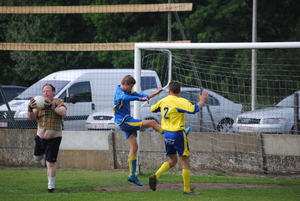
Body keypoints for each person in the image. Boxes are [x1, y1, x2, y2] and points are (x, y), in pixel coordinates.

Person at [148, 81, 208, 195]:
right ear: (179, 91)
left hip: (166, 134)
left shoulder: (164, 100)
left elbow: (152, 109)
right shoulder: (181, 101)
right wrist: (202, 101)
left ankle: (156, 175)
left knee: (172, 160)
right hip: (178, 133)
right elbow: (194, 109)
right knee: (185, 162)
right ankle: (187, 190)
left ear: (169, 91)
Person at [113, 75, 165, 186]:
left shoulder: (129, 91)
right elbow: (124, 98)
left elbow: (143, 96)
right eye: (131, 86)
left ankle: (132, 175)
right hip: (125, 121)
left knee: (134, 147)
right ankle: (174, 134)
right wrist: (139, 99)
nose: (132, 88)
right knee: (153, 122)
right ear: (126, 84)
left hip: (126, 121)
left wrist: (156, 93)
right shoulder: (119, 92)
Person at [27, 84, 67, 194]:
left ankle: (50, 188)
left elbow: (63, 112)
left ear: (53, 92)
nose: (46, 93)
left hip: (54, 139)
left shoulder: (58, 101)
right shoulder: (38, 102)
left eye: (48, 91)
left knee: (50, 163)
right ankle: (45, 154)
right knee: (37, 158)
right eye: (44, 91)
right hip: (40, 138)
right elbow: (31, 117)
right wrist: (30, 108)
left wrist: (52, 106)